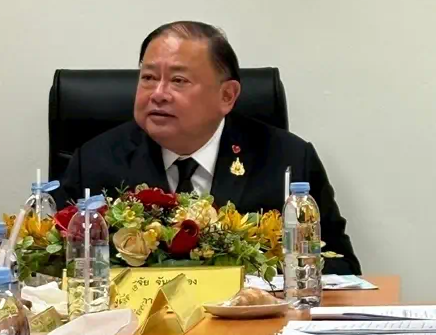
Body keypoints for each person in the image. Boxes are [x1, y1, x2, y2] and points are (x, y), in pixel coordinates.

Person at [56, 21, 361, 274]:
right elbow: (56, 266)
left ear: (227, 96)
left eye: (178, 80)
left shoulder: (287, 160)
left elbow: (341, 266)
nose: (158, 93)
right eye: (148, 77)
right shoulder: (95, 162)